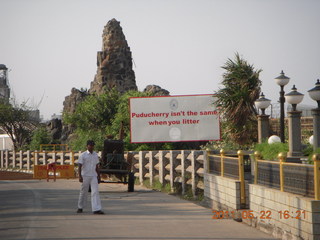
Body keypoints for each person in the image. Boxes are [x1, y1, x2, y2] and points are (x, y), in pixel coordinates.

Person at [77, 140, 104, 214]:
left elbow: (97, 166)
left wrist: (99, 176)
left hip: (93, 176)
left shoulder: (95, 155)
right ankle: (80, 207)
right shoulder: (83, 155)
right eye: (90, 145)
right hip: (85, 175)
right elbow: (79, 166)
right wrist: (79, 176)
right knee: (83, 192)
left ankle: (96, 209)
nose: (91, 147)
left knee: (95, 192)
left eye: (92, 145)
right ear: (87, 146)